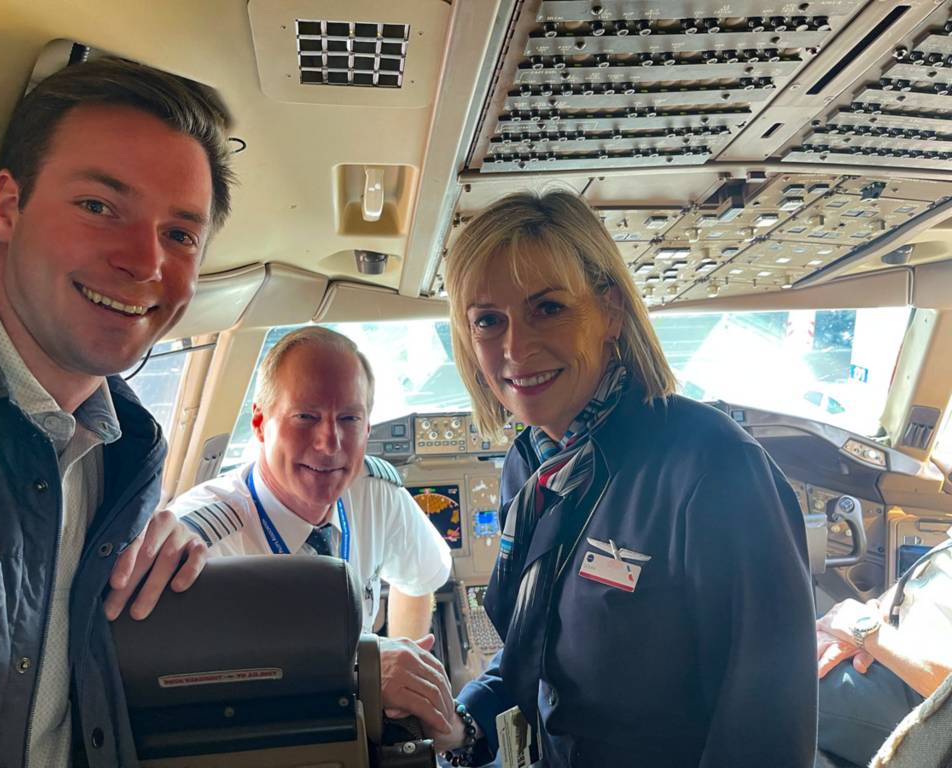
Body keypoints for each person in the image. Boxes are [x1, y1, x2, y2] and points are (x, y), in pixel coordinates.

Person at [432, 191, 818, 767]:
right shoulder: (532, 467)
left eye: (548, 308)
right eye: (489, 321)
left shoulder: (713, 466)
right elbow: (532, 653)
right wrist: (459, 720)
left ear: (610, 311)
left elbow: (767, 732)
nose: (515, 347)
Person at [0, 58, 234, 768]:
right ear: (9, 207)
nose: (144, 262)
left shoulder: (128, 457)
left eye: (180, 235)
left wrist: (170, 548)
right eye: (99, 207)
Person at [167, 325, 457, 734]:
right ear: (260, 422)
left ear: (367, 429)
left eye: (349, 418)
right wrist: (366, 672)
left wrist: (398, 703)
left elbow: (420, 577)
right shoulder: (202, 542)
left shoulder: (376, 494)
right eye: (306, 416)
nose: (329, 443)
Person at [816, 531, 952, 766]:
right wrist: (870, 615)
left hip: (934, 704)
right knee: (783, 634)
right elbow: (918, 588)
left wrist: (867, 632)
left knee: (773, 675)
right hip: (897, 654)